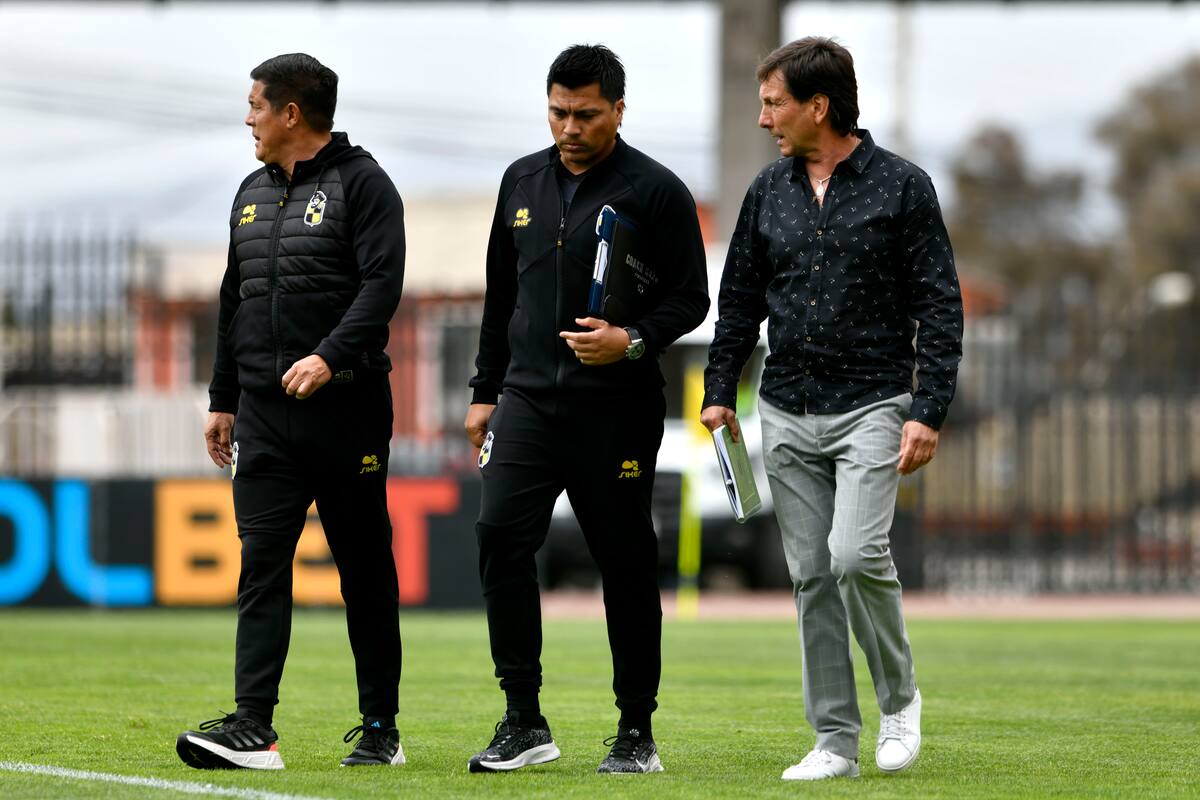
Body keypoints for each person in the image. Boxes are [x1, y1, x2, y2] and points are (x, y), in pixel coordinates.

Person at [702, 37, 963, 781]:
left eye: (773, 104)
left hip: (873, 403)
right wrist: (719, 390)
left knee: (854, 556)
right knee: (811, 574)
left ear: (818, 105)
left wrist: (929, 409)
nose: (763, 120)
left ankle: (900, 699)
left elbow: (940, 305)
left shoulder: (903, 187)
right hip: (785, 407)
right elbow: (739, 302)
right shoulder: (766, 191)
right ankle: (834, 741)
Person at [463, 44, 708, 775]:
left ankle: (636, 730)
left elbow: (691, 299)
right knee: (499, 536)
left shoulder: (656, 190)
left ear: (618, 111)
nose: (569, 127)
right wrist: (484, 390)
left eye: (586, 115)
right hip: (526, 403)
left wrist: (631, 340)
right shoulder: (520, 180)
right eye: (558, 112)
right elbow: (501, 295)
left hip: (617, 407)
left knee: (624, 560)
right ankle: (523, 719)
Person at [175, 53, 407, 771]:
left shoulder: (364, 184)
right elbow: (234, 299)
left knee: (363, 571)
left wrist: (329, 356)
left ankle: (380, 728)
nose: (248, 118)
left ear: (291, 113)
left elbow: (382, 286)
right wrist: (223, 399)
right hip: (264, 417)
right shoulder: (249, 192)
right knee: (262, 566)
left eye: (255, 105)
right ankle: (253, 727)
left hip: (347, 410)